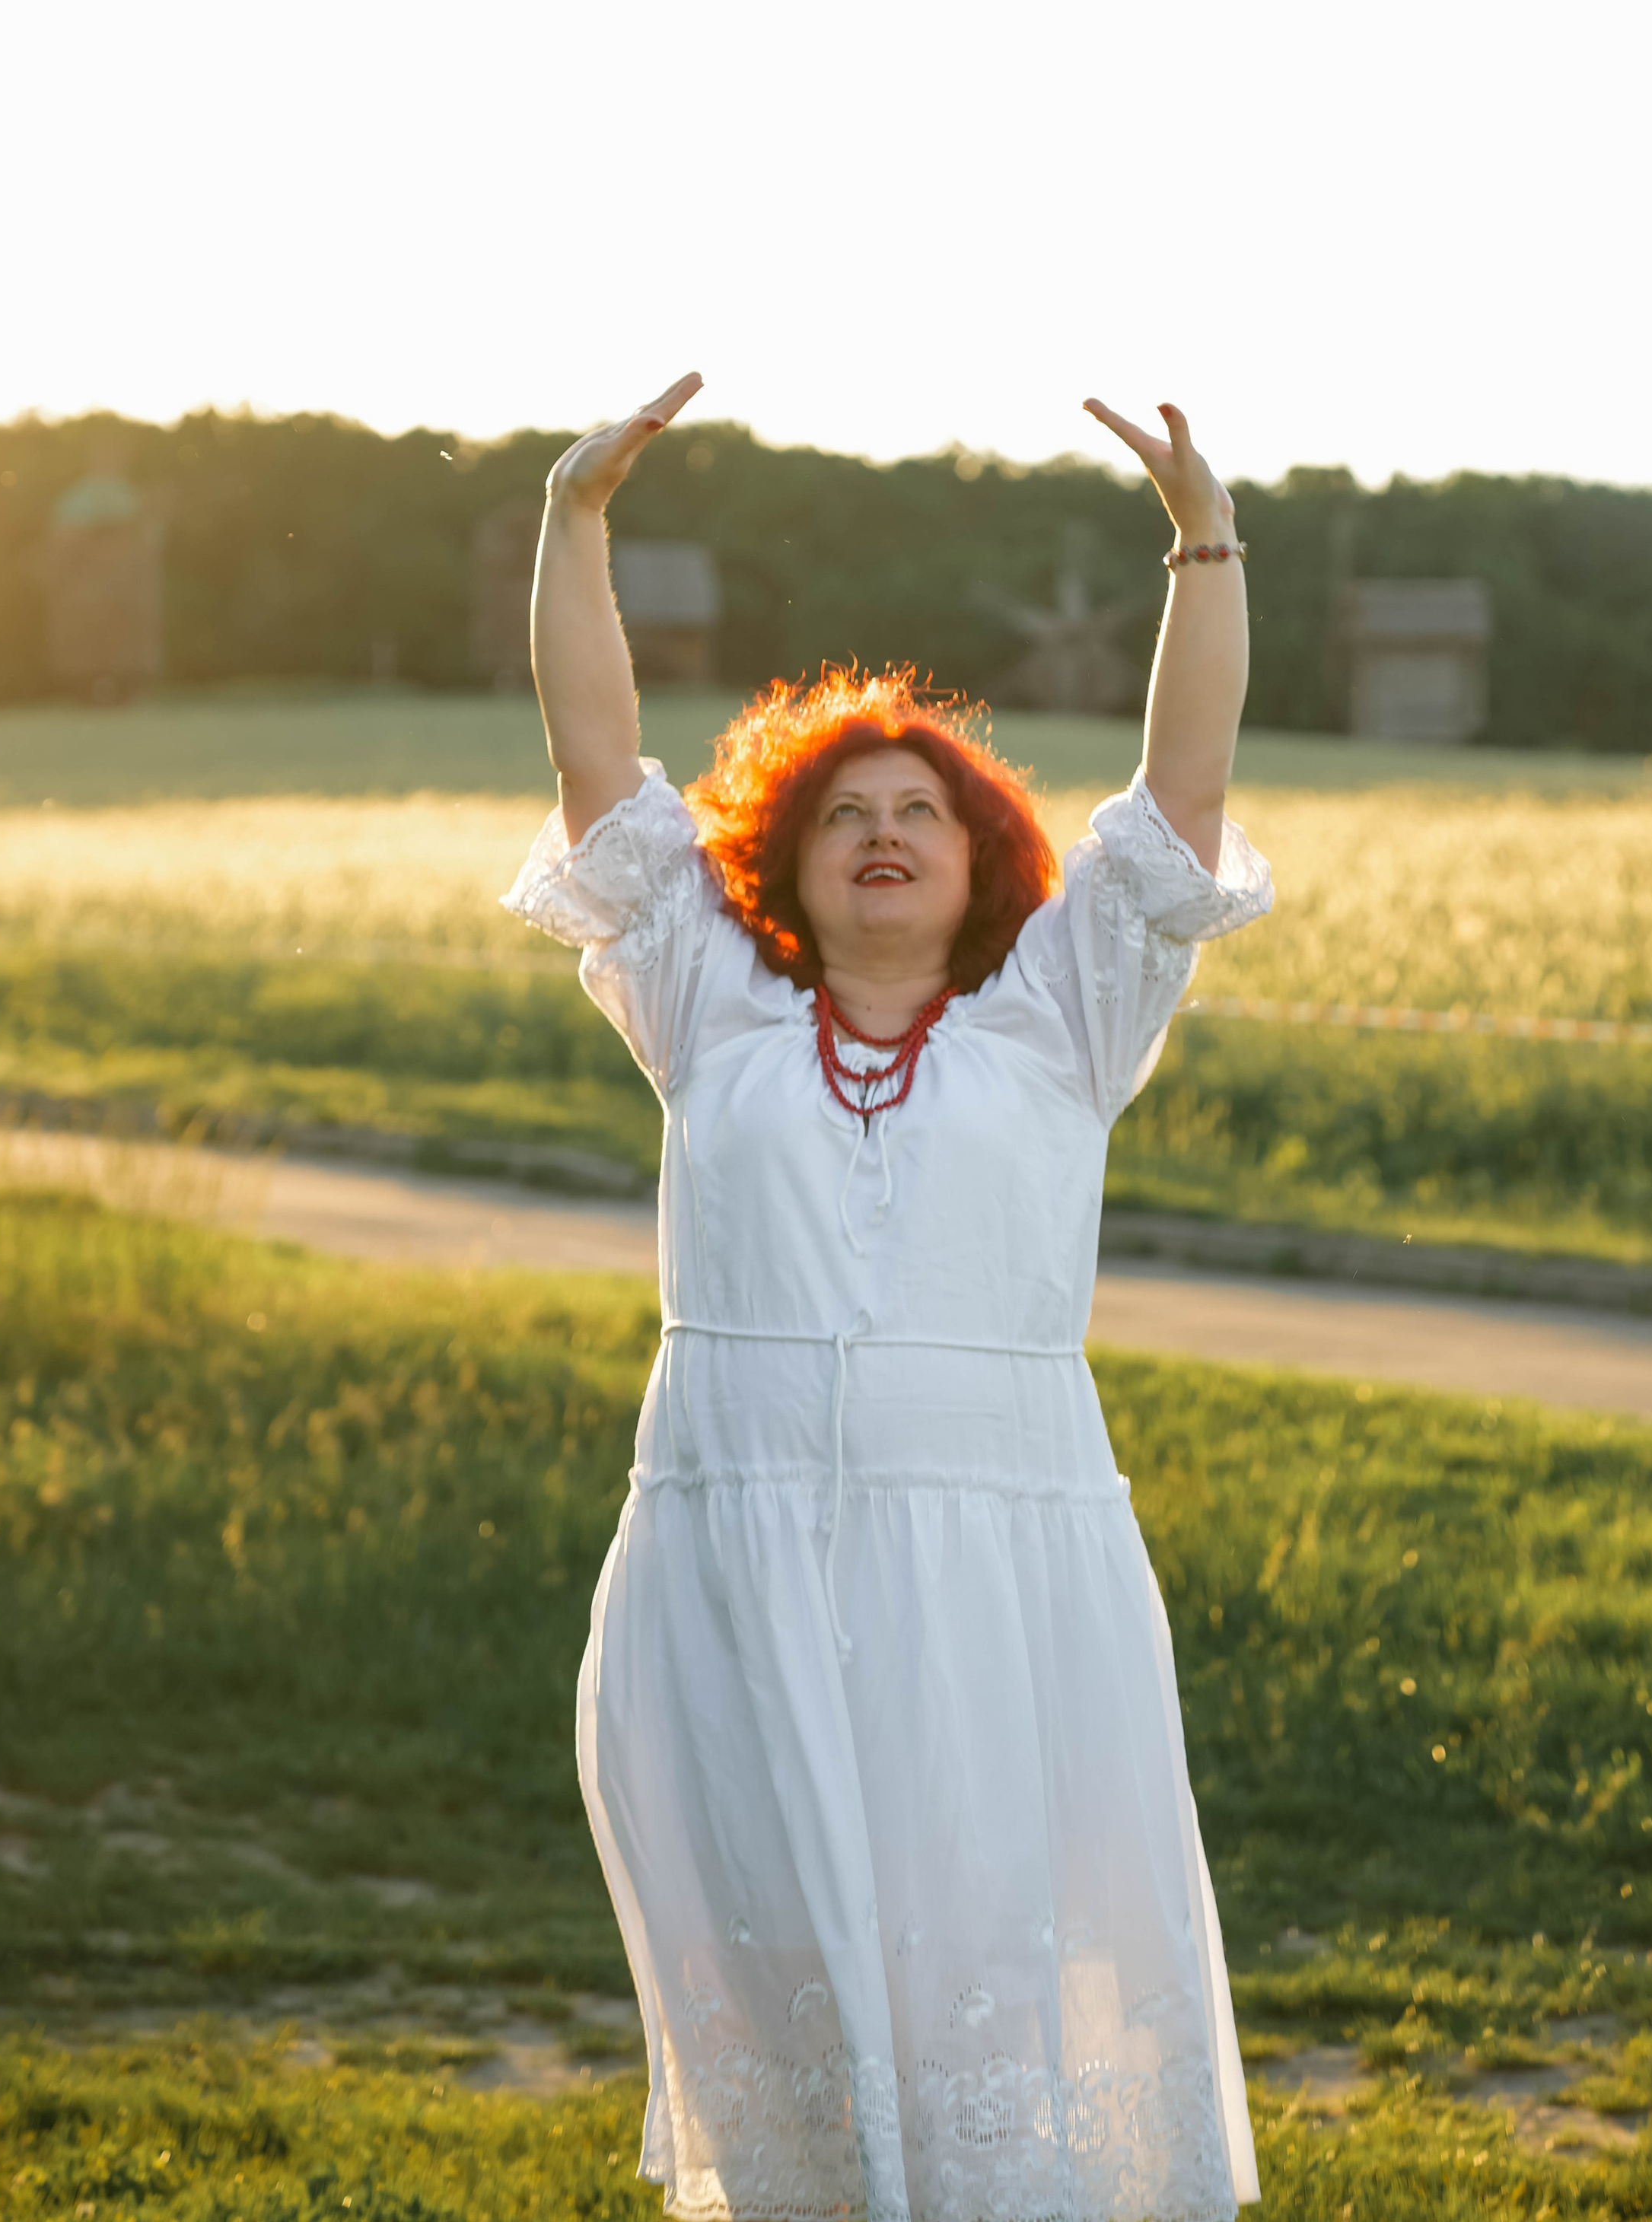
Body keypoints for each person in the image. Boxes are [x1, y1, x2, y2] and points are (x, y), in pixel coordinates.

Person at [504, 373, 1273, 2222]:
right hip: (736, 1550)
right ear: (783, 858)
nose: (881, 831)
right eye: (843, 809)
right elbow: (600, 769)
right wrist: (571, 520)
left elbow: (1180, 790)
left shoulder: (1059, 1018)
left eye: (919, 808)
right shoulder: (708, 1008)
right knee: (785, 1972)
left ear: (974, 855)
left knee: (985, 1945)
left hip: (997, 1564)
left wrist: (1204, 542)